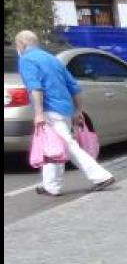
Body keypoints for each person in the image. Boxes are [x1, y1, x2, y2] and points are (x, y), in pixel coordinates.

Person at [14, 30, 115, 196]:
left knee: (67, 145)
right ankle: (51, 185)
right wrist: (78, 110)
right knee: (53, 147)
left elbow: (35, 88)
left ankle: (101, 176)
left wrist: (38, 113)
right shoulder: (52, 59)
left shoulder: (26, 59)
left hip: (50, 110)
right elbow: (74, 87)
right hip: (65, 109)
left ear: (22, 45)